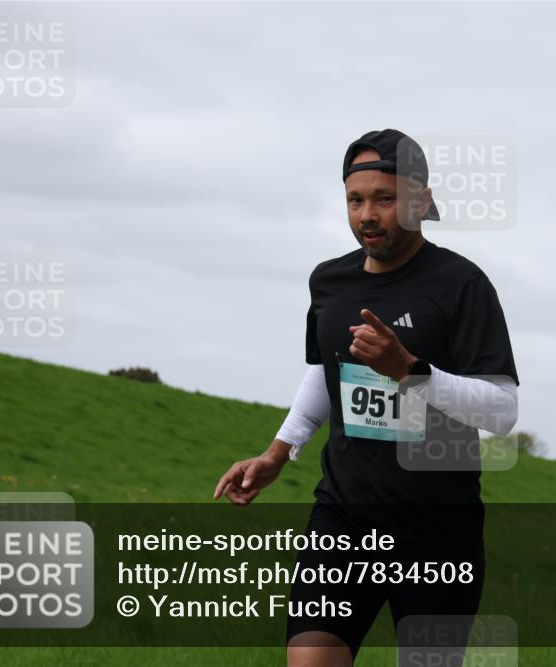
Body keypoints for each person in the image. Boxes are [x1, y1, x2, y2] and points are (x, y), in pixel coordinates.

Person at [213, 129, 520, 667]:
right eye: (355, 200)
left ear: (421, 200)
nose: (367, 215)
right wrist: (278, 452)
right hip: (345, 516)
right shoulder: (329, 283)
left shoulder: (461, 285)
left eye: (384, 198)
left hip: (437, 530)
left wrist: (408, 370)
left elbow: (501, 411)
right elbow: (325, 371)